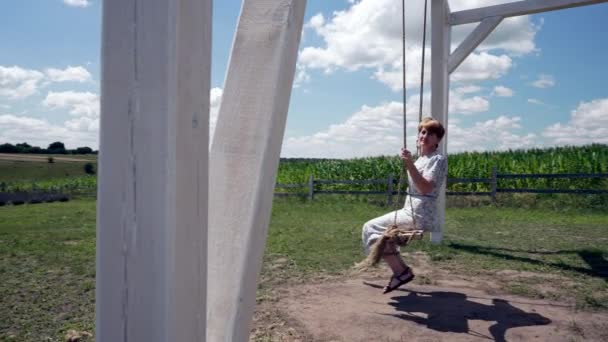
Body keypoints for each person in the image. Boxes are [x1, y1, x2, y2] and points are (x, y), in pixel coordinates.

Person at [361, 117, 447, 294]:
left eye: (431, 133)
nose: (425, 135)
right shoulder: (420, 160)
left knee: (370, 228)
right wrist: (411, 163)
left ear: (437, 140)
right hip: (410, 209)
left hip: (420, 213)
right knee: (382, 234)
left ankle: (400, 272)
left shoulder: (437, 159)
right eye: (423, 132)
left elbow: (425, 188)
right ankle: (402, 272)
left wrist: (408, 163)